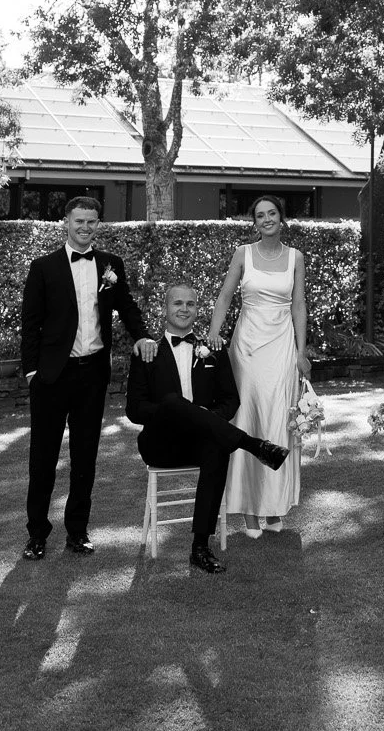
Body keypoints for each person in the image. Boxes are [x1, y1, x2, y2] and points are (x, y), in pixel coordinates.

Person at [20, 194, 157, 560]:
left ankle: (77, 532)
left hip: (92, 374)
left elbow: (126, 305)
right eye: (78, 220)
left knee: (85, 457)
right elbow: (29, 325)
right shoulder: (43, 267)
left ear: (98, 224)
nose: (84, 227)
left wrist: (142, 334)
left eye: (91, 221)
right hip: (51, 376)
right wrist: (33, 372)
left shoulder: (111, 265)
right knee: (43, 458)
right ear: (66, 221)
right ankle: (37, 534)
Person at [126, 279, 290, 574]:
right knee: (174, 402)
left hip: (201, 441)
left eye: (190, 304)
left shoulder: (212, 349)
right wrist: (174, 410)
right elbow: (134, 410)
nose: (184, 309)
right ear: (165, 308)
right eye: (177, 303)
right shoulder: (147, 352)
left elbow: (231, 400)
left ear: (197, 310)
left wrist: (203, 415)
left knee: (217, 450)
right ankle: (255, 445)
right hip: (160, 444)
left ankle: (200, 547)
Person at [207, 193, 308, 535]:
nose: (266, 219)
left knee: (278, 422)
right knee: (249, 421)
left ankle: (275, 507)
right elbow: (224, 295)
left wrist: (302, 351)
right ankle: (250, 509)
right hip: (247, 347)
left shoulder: (296, 257)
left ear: (282, 218)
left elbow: (298, 307)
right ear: (254, 222)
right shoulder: (243, 254)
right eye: (260, 215)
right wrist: (213, 335)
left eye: (272, 213)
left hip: (281, 348)